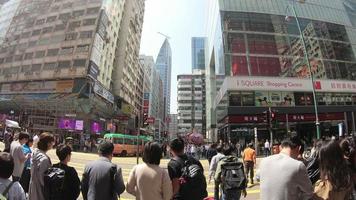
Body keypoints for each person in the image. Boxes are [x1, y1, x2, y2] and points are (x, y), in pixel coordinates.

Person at [260, 135, 313, 200]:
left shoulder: (264, 161)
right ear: (298, 148)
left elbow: (257, 177)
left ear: (280, 147)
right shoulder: (298, 165)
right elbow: (309, 192)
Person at [29, 132, 55, 200]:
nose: (53, 144)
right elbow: (43, 181)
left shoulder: (35, 152)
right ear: (48, 144)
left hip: (33, 187)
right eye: (52, 142)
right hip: (39, 192)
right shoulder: (44, 159)